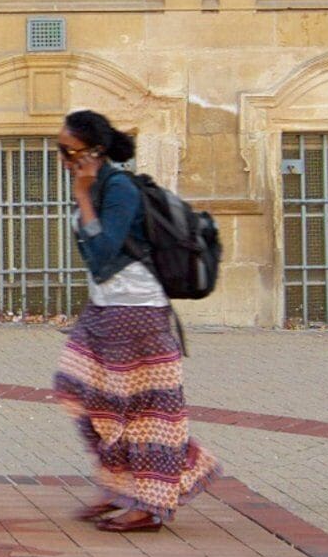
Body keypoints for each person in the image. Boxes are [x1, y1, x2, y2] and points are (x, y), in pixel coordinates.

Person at [49, 107, 209, 533]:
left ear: (93, 153)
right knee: (78, 389)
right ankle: (121, 484)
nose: (63, 160)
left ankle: (150, 500)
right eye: (60, 150)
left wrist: (83, 199)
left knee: (142, 410)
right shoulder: (96, 184)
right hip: (106, 308)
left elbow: (103, 257)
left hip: (136, 310)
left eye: (69, 151)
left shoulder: (118, 189)